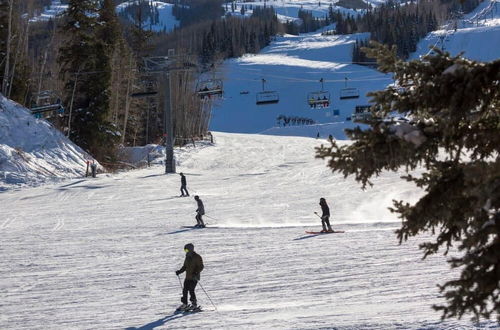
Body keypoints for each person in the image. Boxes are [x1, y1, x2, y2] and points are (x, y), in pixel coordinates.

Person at [175, 243, 204, 311]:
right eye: (185, 250)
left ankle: (194, 304)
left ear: (190, 249)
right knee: (185, 290)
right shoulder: (187, 257)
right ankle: (185, 304)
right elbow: (185, 266)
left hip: (194, 277)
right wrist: (179, 271)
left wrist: (196, 272)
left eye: (186, 250)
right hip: (188, 277)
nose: (186, 251)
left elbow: (201, 266)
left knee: (191, 290)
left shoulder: (197, 257)